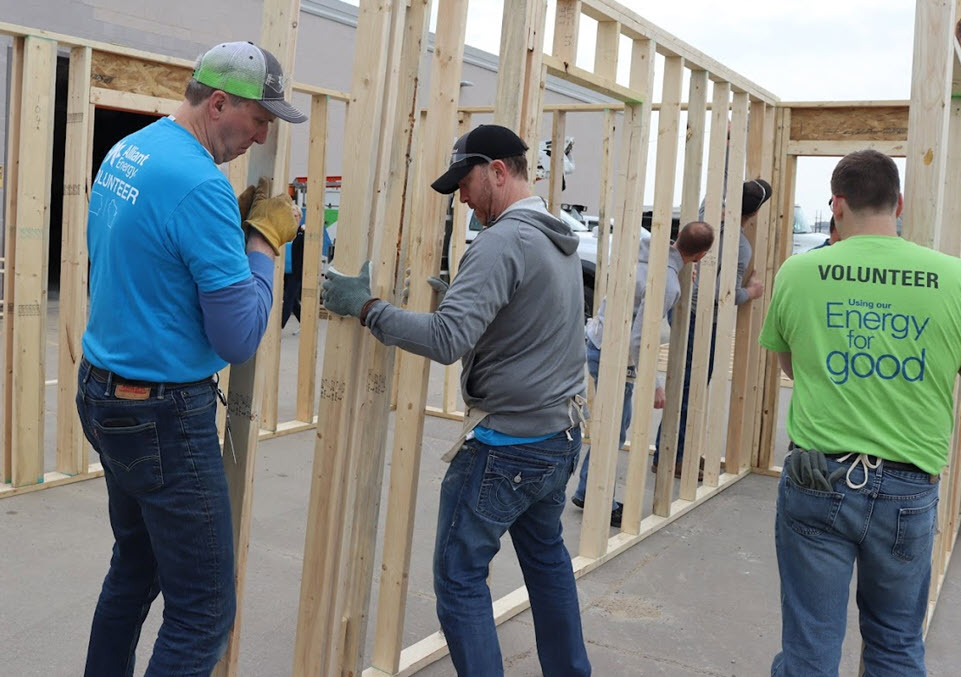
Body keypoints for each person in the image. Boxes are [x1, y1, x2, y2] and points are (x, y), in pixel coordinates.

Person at [321, 124, 591, 676]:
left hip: (507, 447)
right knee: (546, 564)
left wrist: (366, 307)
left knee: (460, 579)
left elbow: (447, 341)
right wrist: (468, 298)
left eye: (466, 183)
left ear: (497, 170)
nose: (462, 199)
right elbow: (532, 317)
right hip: (558, 436)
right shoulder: (555, 234)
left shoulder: (500, 242)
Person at [76, 41, 306, 677]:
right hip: (161, 416)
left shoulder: (134, 150)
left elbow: (154, 257)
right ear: (219, 101)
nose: (261, 134)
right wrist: (263, 242)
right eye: (259, 118)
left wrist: (223, 247)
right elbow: (238, 338)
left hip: (105, 392)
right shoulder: (201, 183)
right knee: (204, 608)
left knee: (136, 567)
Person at [759, 149, 961, 676]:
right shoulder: (958, 279)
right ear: (900, 204)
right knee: (894, 643)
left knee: (810, 646)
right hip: (908, 491)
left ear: (838, 205)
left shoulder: (800, 272)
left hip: (817, 478)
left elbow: (792, 367)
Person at [570, 221, 715, 526]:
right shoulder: (667, 283)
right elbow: (639, 338)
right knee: (614, 431)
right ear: (701, 255)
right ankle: (600, 501)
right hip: (615, 354)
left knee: (613, 426)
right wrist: (655, 384)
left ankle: (588, 490)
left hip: (598, 340)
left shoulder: (649, 255)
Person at [668, 179, 770, 475]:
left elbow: (710, 192)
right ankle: (677, 458)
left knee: (682, 384)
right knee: (690, 387)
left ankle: (671, 453)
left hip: (681, 312)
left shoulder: (706, 217)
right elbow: (721, 294)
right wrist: (751, 292)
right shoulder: (739, 247)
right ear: (754, 214)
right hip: (702, 321)